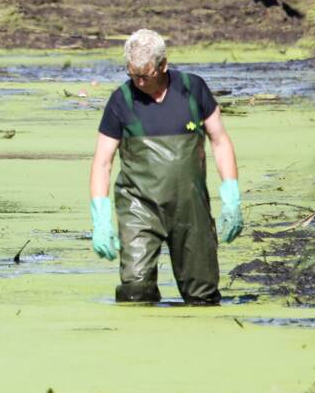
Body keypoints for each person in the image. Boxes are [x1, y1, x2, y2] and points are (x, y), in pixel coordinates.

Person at [88, 29, 243, 304]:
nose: (138, 81)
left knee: (202, 294)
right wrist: (100, 218)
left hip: (190, 207)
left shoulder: (193, 90)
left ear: (163, 65)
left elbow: (220, 142)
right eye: (132, 74)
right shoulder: (120, 101)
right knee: (135, 289)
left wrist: (231, 196)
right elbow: (102, 162)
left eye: (144, 75)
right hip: (139, 207)